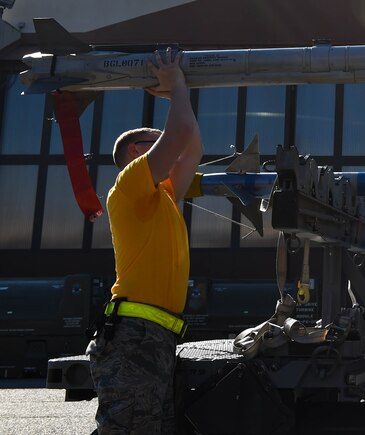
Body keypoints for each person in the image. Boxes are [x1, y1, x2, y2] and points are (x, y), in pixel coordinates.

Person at [85, 47, 203, 433]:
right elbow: (181, 133)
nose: (168, 141)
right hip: (134, 338)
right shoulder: (132, 181)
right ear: (137, 152)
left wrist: (176, 93)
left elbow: (192, 147)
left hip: (151, 337)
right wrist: (177, 88)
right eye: (158, 136)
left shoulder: (164, 194)